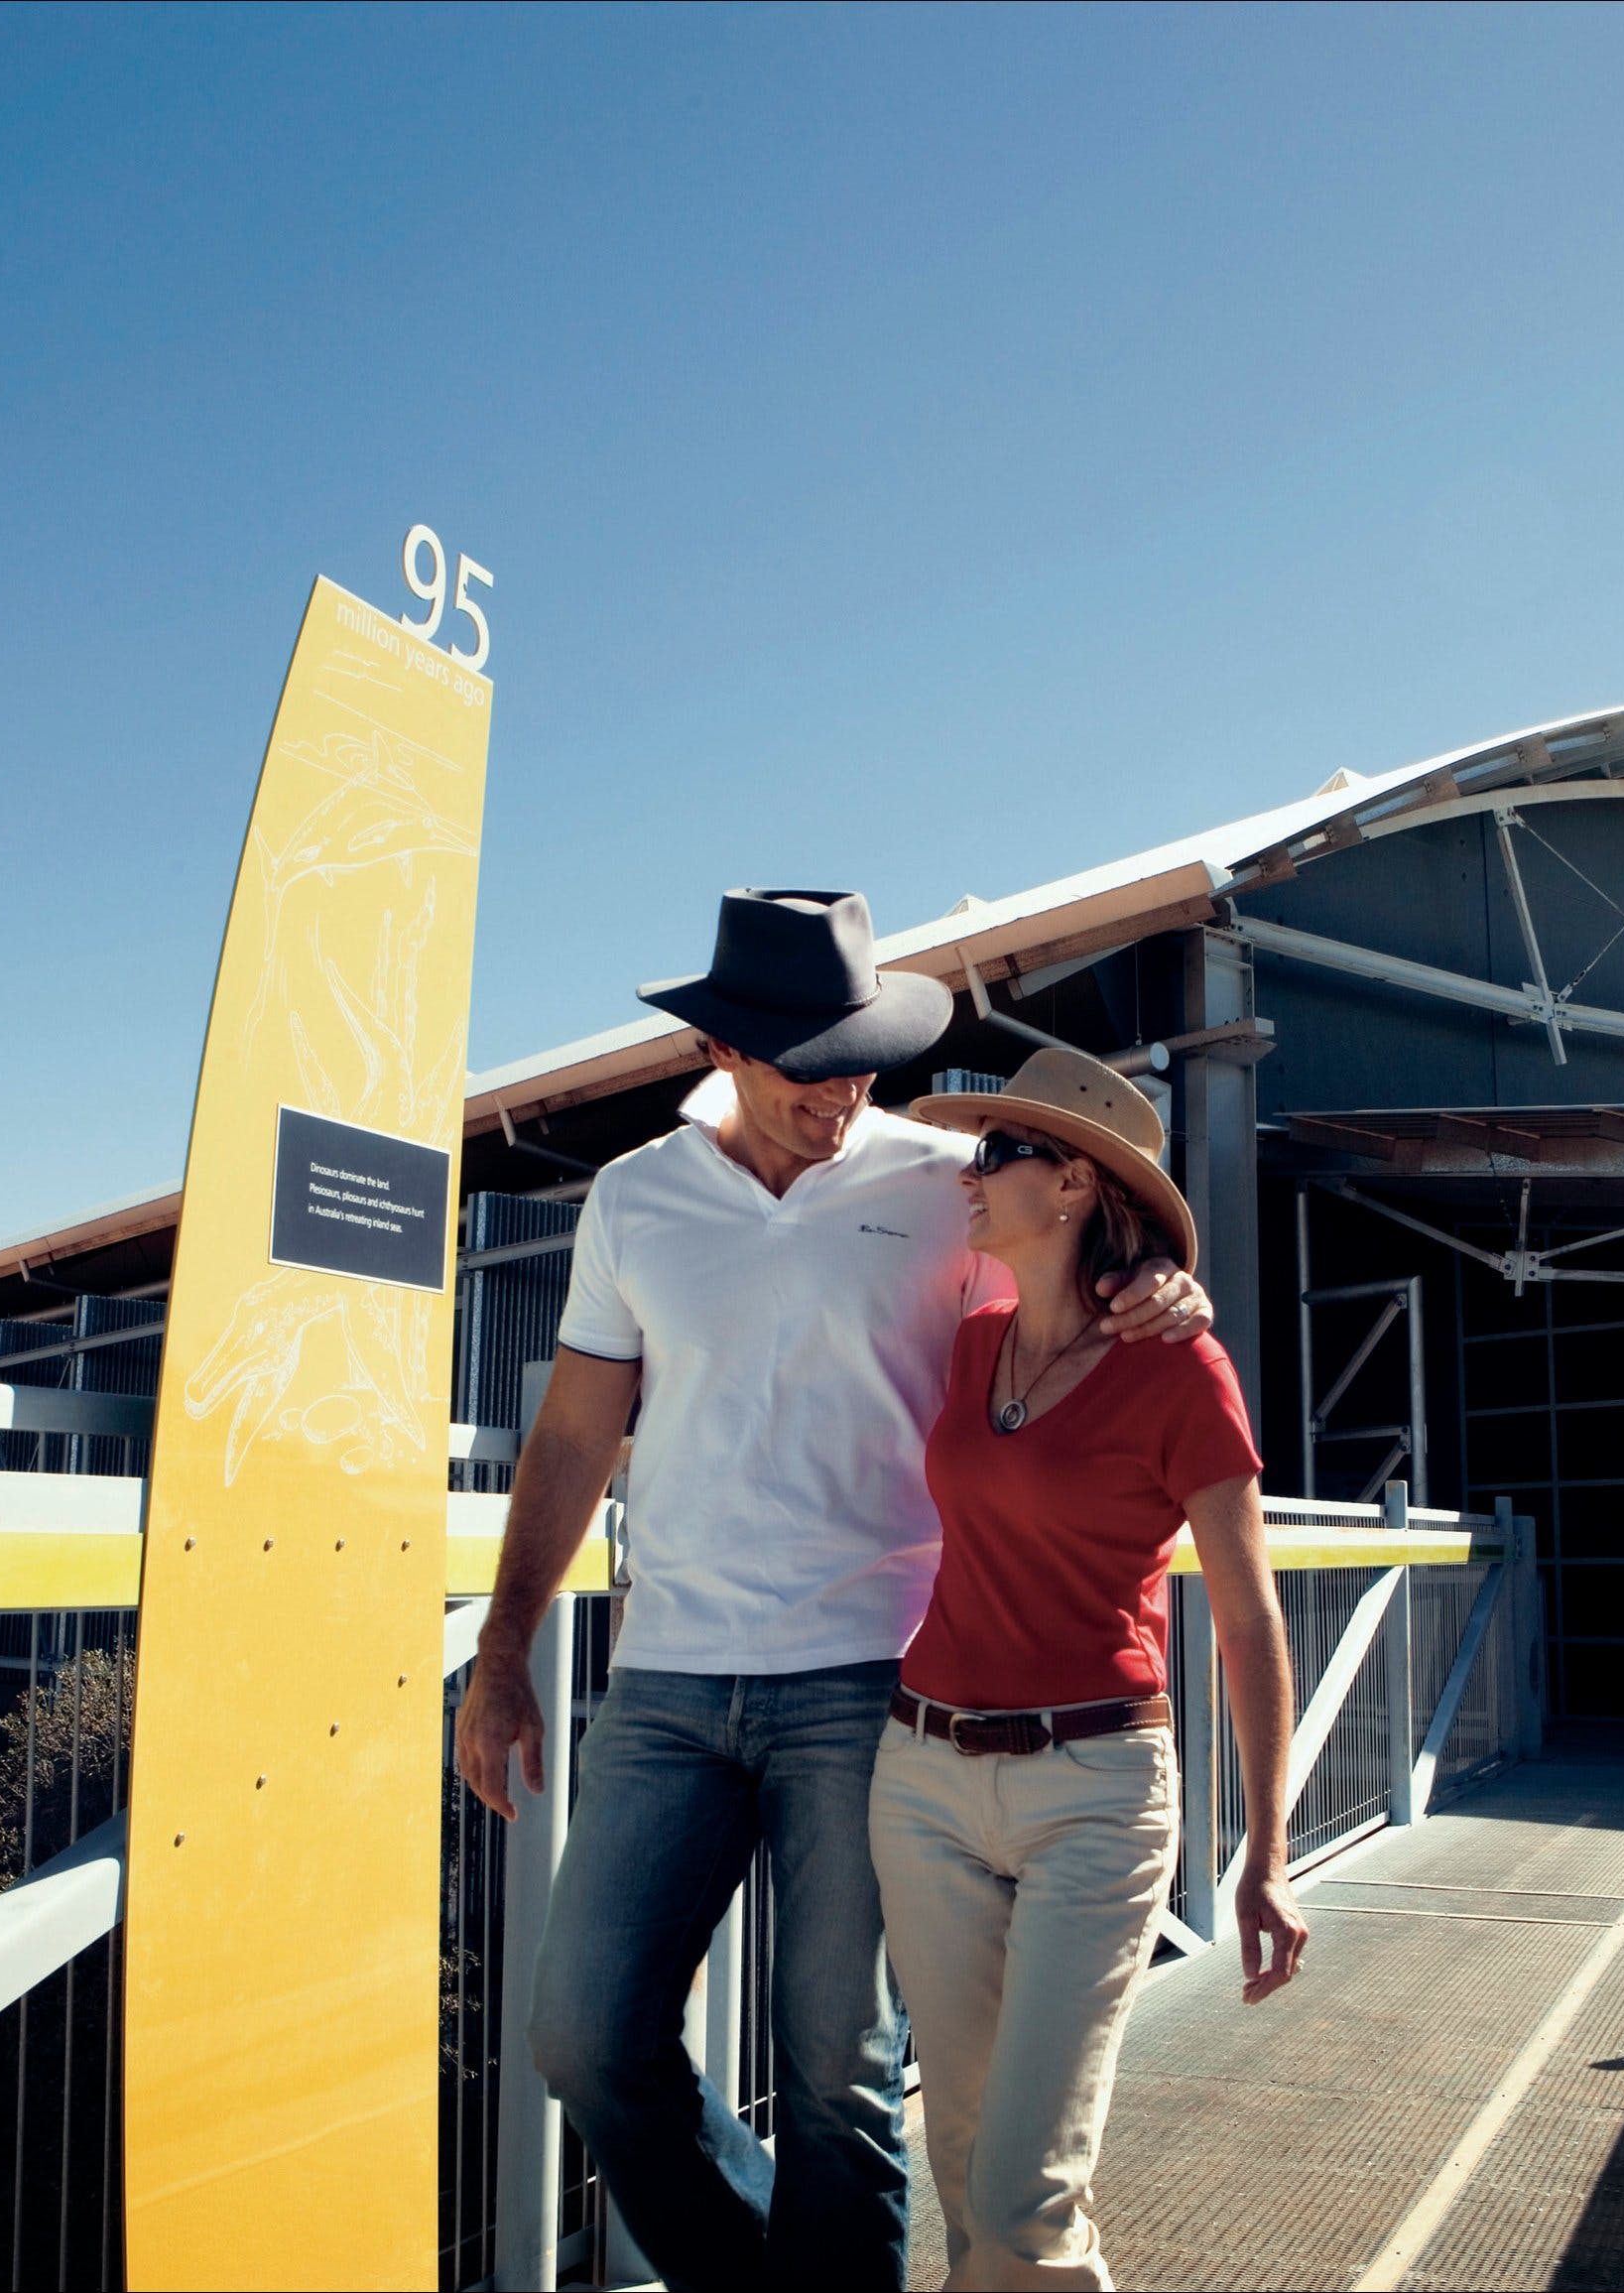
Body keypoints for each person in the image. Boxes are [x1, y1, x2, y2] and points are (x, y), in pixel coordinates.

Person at [451, 888, 1210, 2293]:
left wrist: (1168, 1281)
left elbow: (1087, 1254)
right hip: (669, 1681)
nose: (846, 1082)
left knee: (835, 2068)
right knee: (584, 2033)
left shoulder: (944, 1180)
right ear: (727, 1048)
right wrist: (505, 1646)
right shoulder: (637, 1195)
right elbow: (573, 1433)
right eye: (812, 1054)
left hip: (874, 1680)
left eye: (865, 1047)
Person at [872, 1046, 1307, 2291]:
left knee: (1023, 2181)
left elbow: (1244, 1615)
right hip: (923, 1773)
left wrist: (1264, 1859)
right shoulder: (976, 1341)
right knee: (957, 2160)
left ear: (1068, 1184)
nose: (970, 1171)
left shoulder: (1179, 1368)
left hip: (1092, 1786)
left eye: (997, 1153)